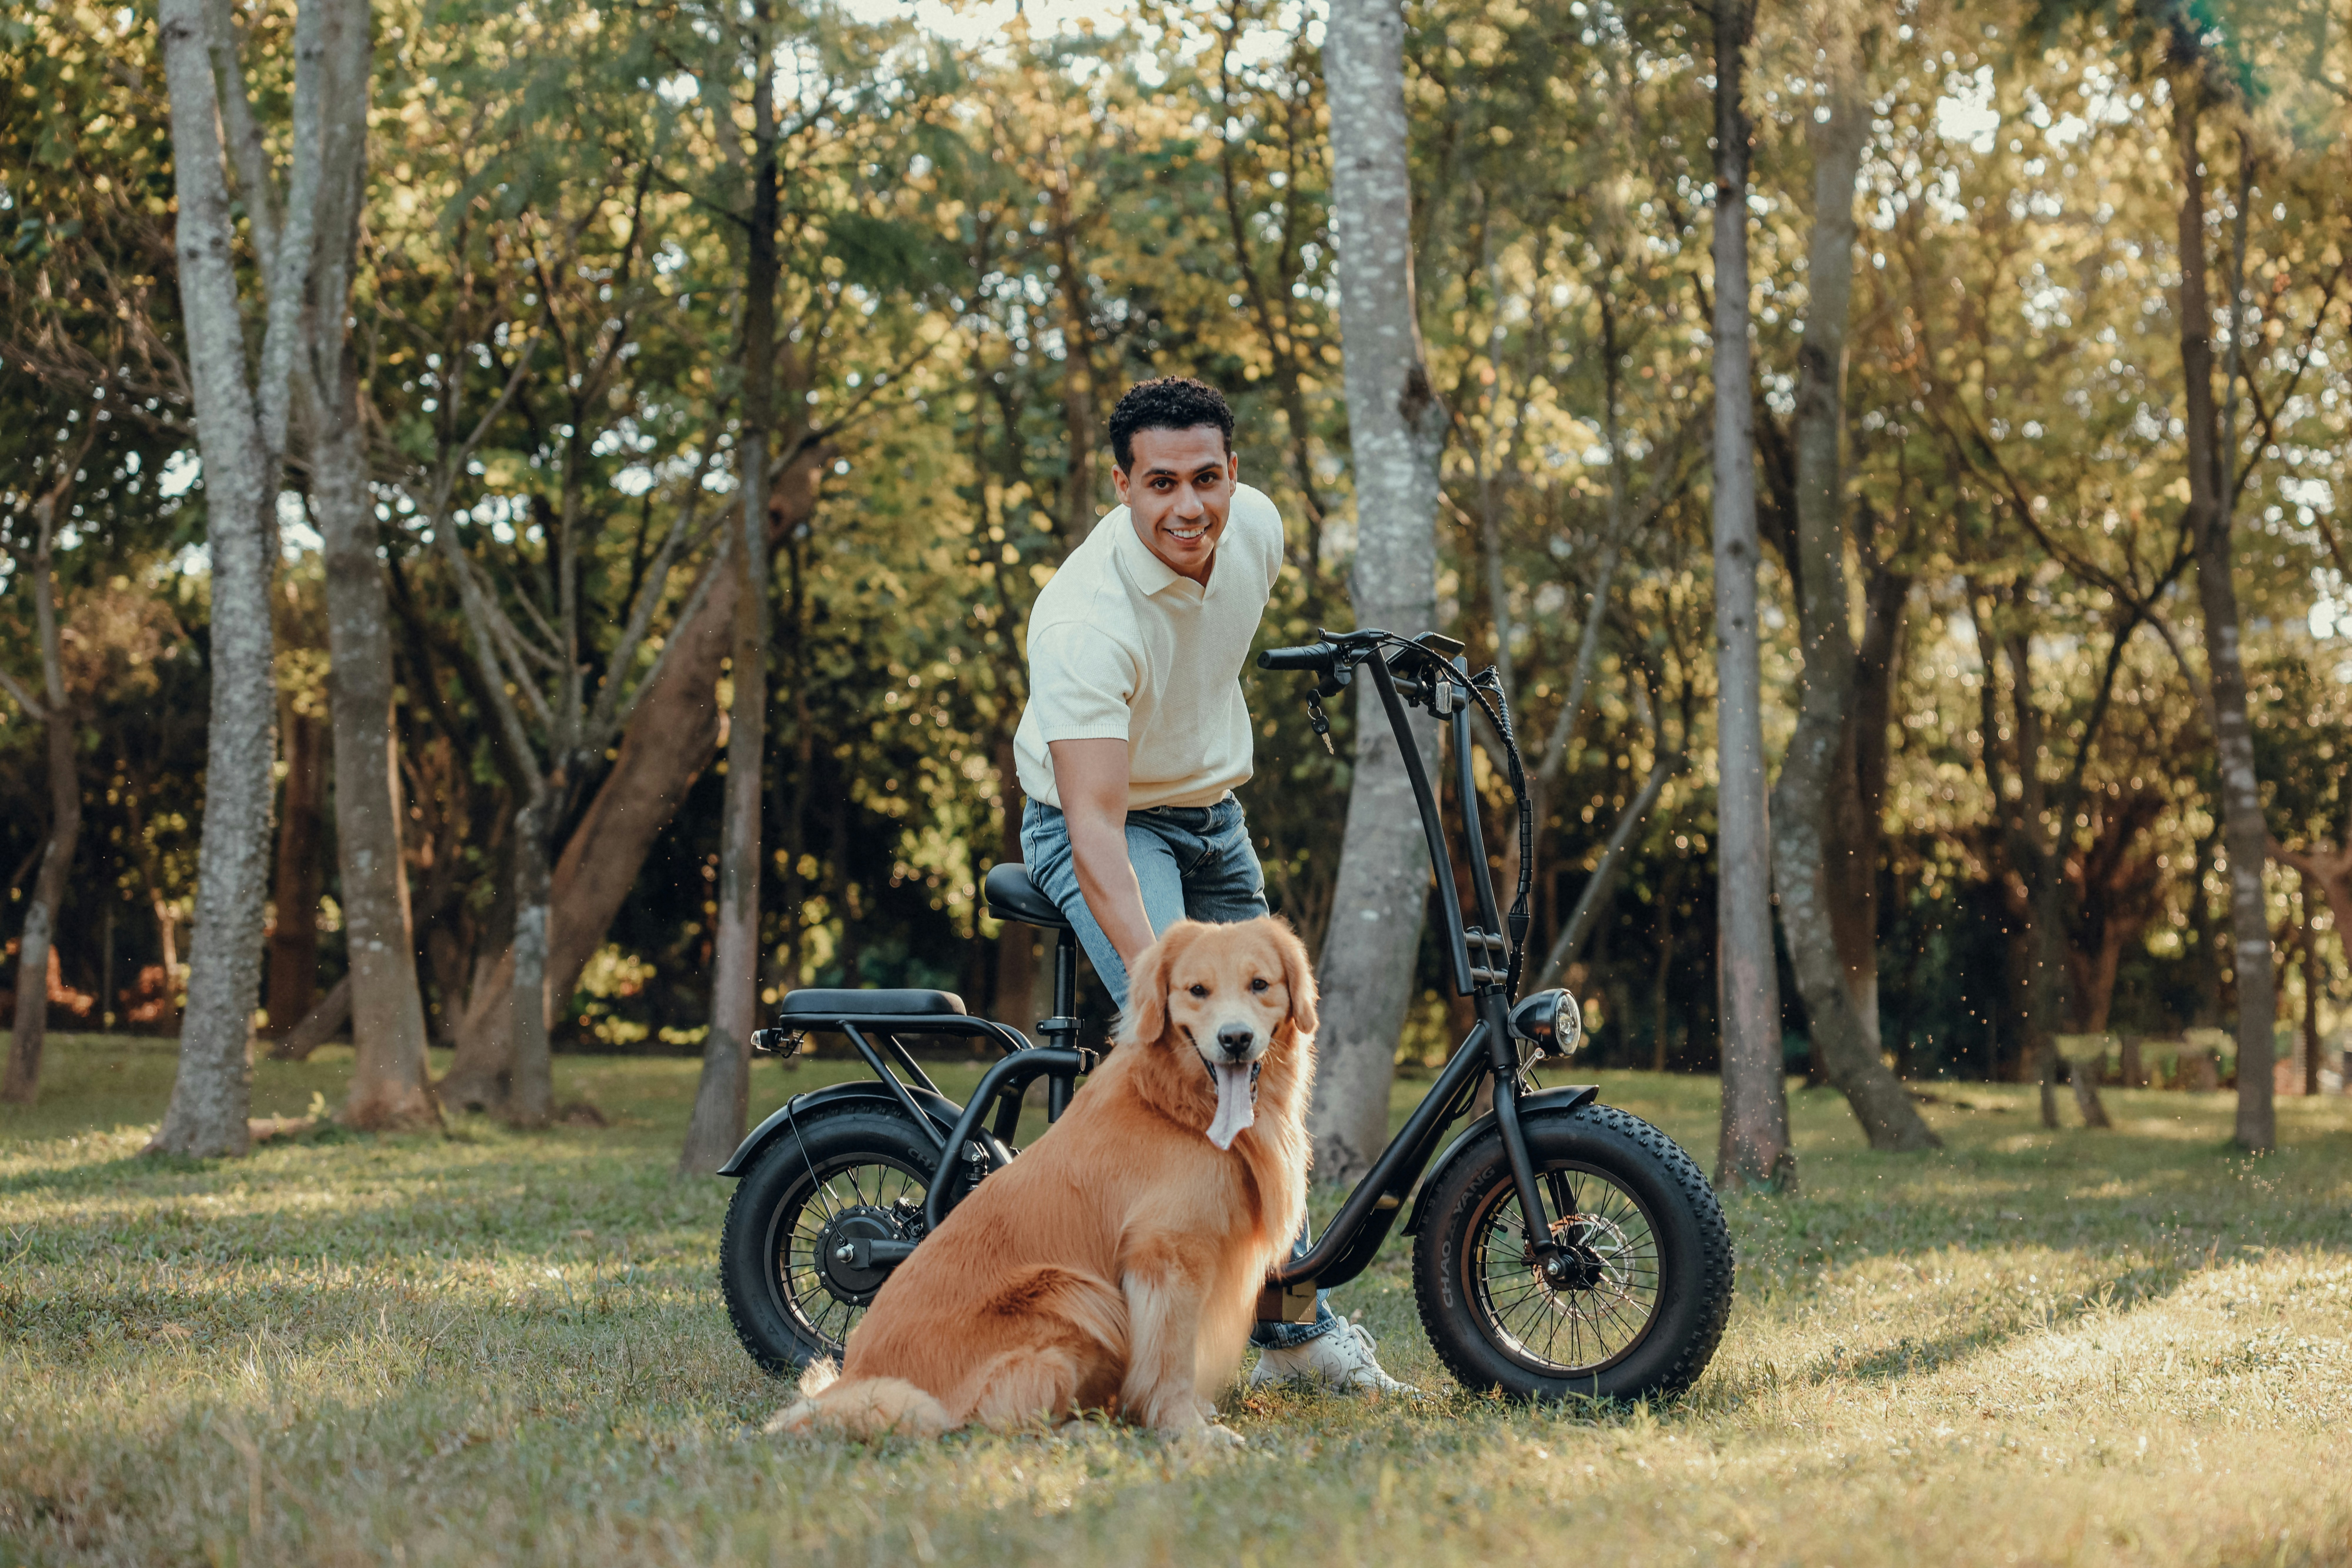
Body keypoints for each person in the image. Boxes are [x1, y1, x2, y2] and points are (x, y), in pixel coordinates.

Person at [1014, 375, 1414, 1396]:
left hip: (1213, 810)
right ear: (1123, 486)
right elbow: (1097, 826)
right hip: (1098, 824)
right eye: (1160, 485)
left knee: (1270, 1045)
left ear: (1234, 474)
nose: (1187, 508)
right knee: (1195, 1049)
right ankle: (1282, 1337)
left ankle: (1271, 1316)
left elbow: (1205, 653)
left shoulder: (1258, 530)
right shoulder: (1082, 621)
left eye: (1206, 479)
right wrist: (1164, 978)